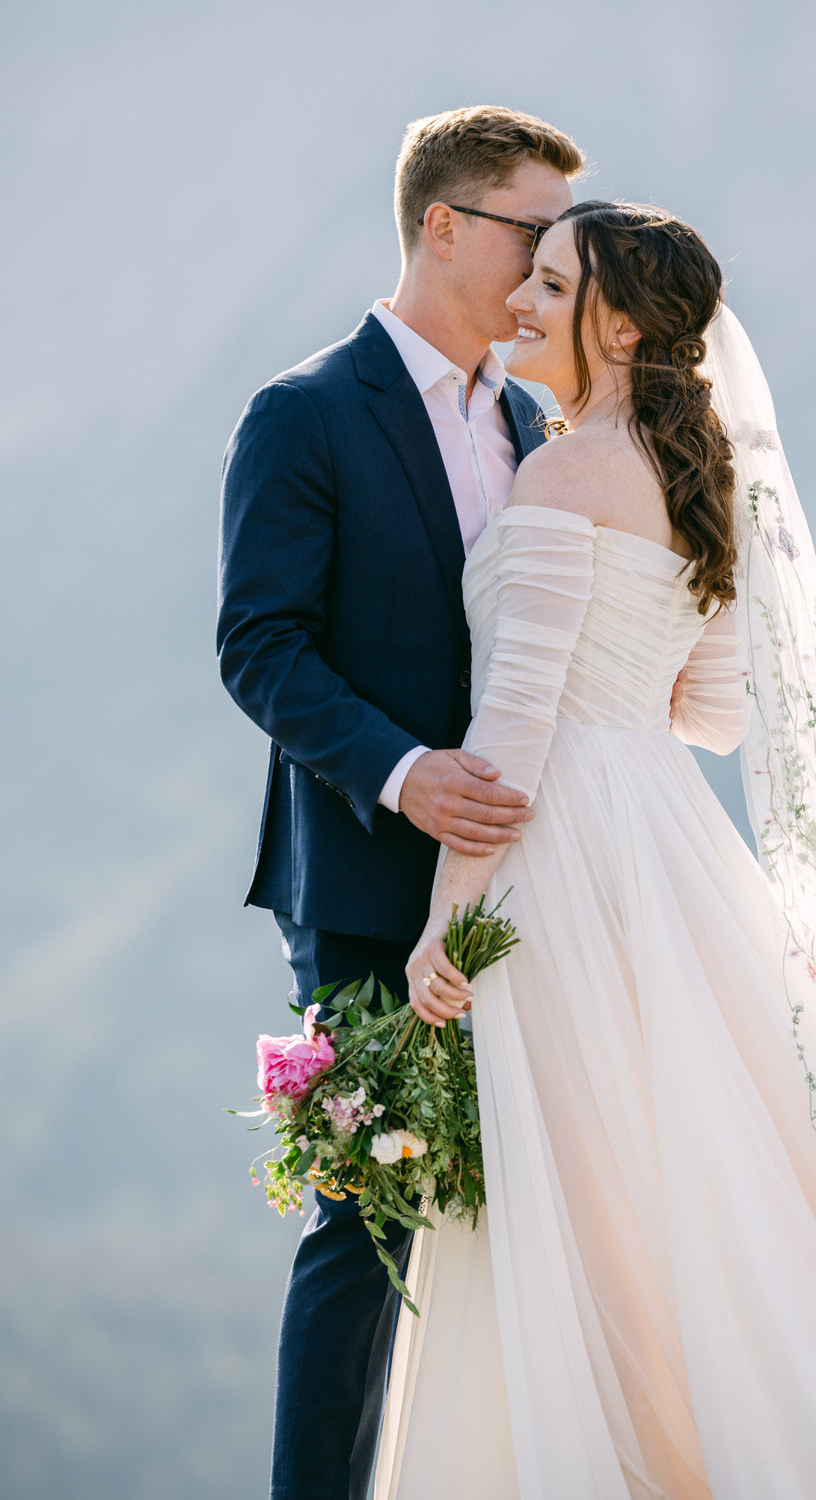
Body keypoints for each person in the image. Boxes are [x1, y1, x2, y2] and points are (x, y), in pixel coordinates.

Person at [374, 204, 816, 1498]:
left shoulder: (556, 477)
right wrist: (625, 698)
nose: (521, 306)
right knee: (708, 1192)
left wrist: (446, 928)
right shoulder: (692, 475)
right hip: (665, 837)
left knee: (593, 1220)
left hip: (561, 867)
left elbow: (509, 740)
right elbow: (710, 711)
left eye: (550, 288)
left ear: (613, 322)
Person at [217, 105, 583, 1500]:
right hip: (371, 883)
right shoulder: (305, 410)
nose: (556, 261)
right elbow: (259, 643)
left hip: (534, 884)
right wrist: (402, 772)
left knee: (548, 1202)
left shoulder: (539, 418)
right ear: (443, 224)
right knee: (370, 1220)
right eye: (532, 231)